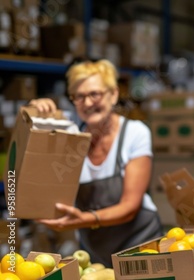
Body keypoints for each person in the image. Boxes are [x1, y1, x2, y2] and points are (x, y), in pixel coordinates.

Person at [29, 59, 163, 267]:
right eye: (79, 96)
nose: (88, 103)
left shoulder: (134, 133)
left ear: (114, 94)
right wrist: (33, 113)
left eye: (95, 94)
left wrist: (84, 220)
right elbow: (32, 156)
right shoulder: (70, 135)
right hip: (95, 252)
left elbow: (130, 207)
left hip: (141, 245)